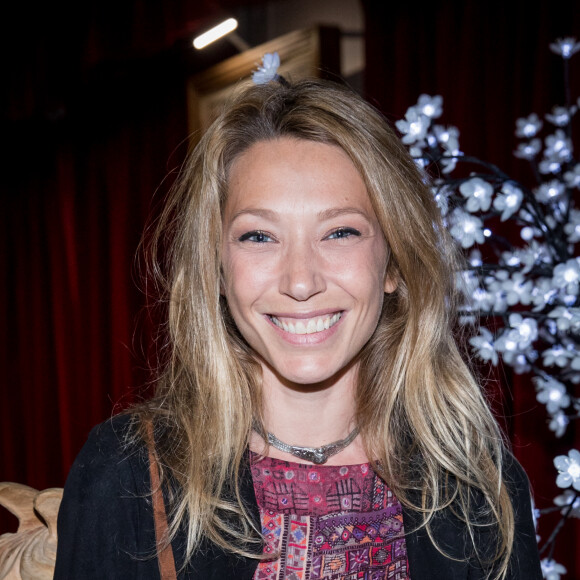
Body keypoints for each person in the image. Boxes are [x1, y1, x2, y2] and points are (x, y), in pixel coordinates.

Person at [54, 72, 542, 579]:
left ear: (394, 264)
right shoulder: (126, 474)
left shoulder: (479, 485)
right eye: (260, 236)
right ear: (216, 269)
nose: (301, 281)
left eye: (340, 232)